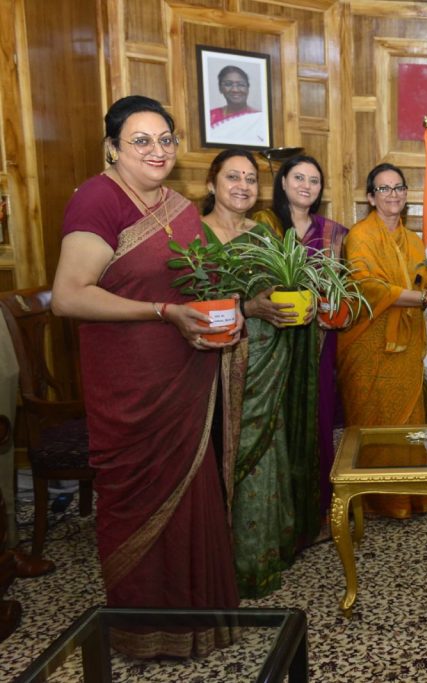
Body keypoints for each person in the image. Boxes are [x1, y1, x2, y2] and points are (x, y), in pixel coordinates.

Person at [51, 95, 240, 656]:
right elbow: (69, 296)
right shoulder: (97, 199)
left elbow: (204, 285)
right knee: (136, 501)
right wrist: (162, 312)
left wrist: (238, 311)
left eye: (165, 139)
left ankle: (197, 624)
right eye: (140, 140)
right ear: (112, 148)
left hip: (184, 379)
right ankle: (143, 633)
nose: (157, 150)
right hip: (131, 388)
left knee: (193, 498)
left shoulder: (179, 207)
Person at [201, 149, 316, 598]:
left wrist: (301, 306)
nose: (243, 186)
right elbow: (190, 301)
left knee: (269, 453)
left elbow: (283, 286)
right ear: (211, 184)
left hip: (270, 359)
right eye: (233, 177)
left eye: (250, 179)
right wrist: (247, 308)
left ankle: (265, 553)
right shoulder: (195, 235)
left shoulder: (263, 235)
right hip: (219, 366)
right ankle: (225, 563)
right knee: (227, 455)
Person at [337, 163, 427, 518]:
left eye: (399, 188)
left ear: (406, 194)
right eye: (384, 188)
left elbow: (422, 283)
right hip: (368, 344)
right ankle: (374, 501)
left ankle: (409, 497)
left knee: (408, 423)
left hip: (407, 346)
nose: (393, 195)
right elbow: (367, 287)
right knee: (373, 424)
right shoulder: (359, 236)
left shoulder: (414, 240)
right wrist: (425, 298)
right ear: (370, 197)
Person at [252, 155, 347, 541]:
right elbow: (251, 280)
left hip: (319, 342)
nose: (306, 186)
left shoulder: (334, 233)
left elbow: (342, 287)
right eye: (299, 178)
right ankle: (276, 516)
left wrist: (332, 310)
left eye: (314, 180)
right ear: (283, 183)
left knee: (318, 422)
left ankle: (317, 512)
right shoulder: (264, 226)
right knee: (275, 423)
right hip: (272, 339)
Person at [208, 65, 267, 146]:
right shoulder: (210, 116)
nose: (235, 90)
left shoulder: (260, 118)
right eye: (228, 84)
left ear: (248, 88)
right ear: (220, 88)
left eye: (241, 84)